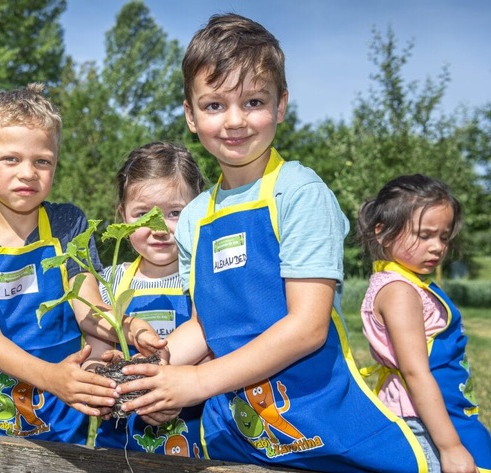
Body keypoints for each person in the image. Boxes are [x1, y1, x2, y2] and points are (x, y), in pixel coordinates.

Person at [116, 13, 426, 472]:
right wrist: (153, 376)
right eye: (215, 105)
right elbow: (205, 327)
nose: (235, 120)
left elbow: (306, 328)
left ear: (281, 105)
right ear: (190, 115)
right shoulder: (196, 217)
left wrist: (196, 384)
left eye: (254, 101)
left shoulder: (299, 192)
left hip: (326, 432)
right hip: (235, 437)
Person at [0, 84, 164, 443]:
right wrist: (52, 379)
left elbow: (88, 309)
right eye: (11, 159)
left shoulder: (68, 223)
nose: (28, 172)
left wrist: (132, 326)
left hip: (62, 417)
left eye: (41, 161)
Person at [357, 174, 491, 473]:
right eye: (424, 235)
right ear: (383, 233)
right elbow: (415, 372)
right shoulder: (399, 292)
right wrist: (450, 447)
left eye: (443, 237)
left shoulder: (410, 284)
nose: (437, 247)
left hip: (439, 412)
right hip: (420, 422)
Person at [89, 142, 207, 457]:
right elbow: (96, 352)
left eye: (175, 213)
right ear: (122, 217)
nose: (159, 228)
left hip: (196, 441)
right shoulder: (110, 280)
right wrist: (98, 381)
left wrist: (180, 391)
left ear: (200, 210)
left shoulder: (205, 277)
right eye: (143, 214)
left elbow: (219, 356)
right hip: (119, 447)